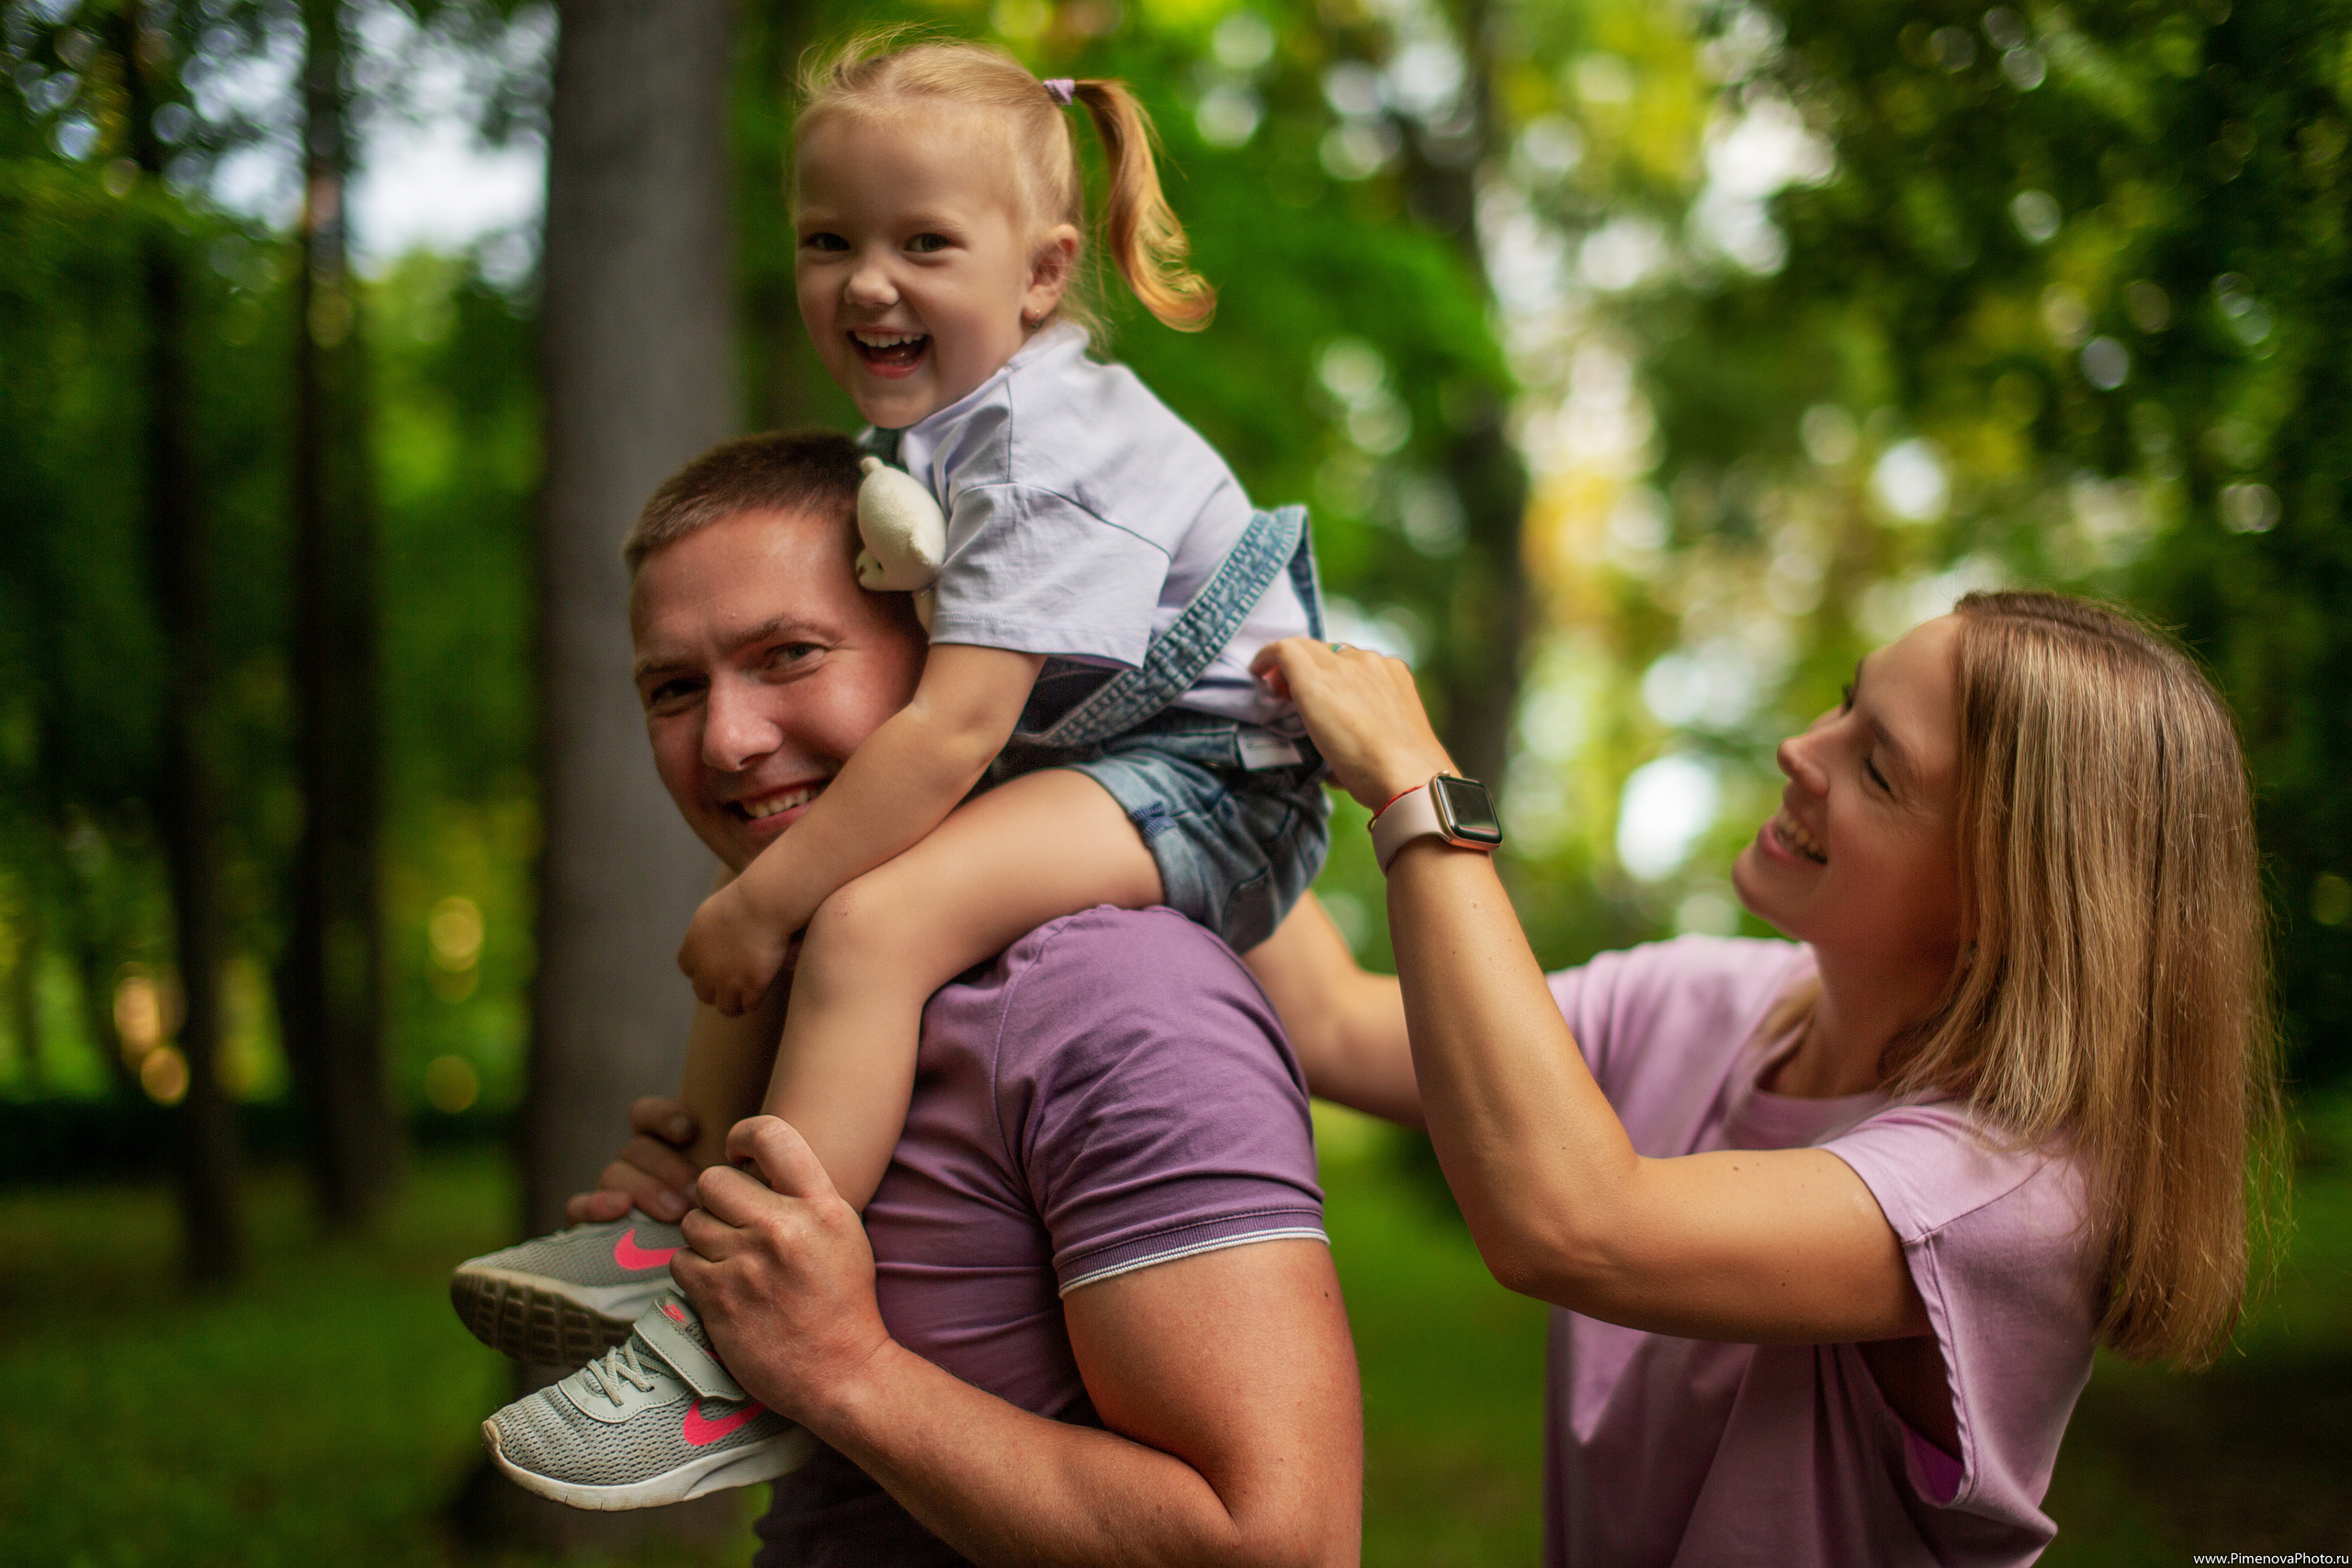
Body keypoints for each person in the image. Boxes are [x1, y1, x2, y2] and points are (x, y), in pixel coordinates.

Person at [454, 34, 1335, 1506]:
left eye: (924, 243)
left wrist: (766, 900)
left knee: (860, 914)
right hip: (1109, 751)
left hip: (1211, 773)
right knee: (801, 889)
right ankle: (697, 1224)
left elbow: (953, 729)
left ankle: (730, 1345)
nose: (867, 282)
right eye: (829, 241)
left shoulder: (1042, 446)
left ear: (1042, 272)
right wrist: (765, 899)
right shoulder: (945, 428)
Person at [1245, 593, 2278, 1565]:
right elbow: (1330, 1020)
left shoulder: (1999, 1196)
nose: (1801, 750)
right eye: (1845, 703)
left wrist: (1419, 788)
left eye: (1877, 770)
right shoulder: (1705, 997)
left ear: (2006, 907)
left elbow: (1569, 1223)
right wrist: (1202, 759)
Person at [473, 432, 1362, 1560]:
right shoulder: (825, 995)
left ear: (952, 652)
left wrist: (844, 1370)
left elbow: (1281, 1547)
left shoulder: (1113, 1002)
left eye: (790, 655)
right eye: (675, 689)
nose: (728, 741)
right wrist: (708, 1219)